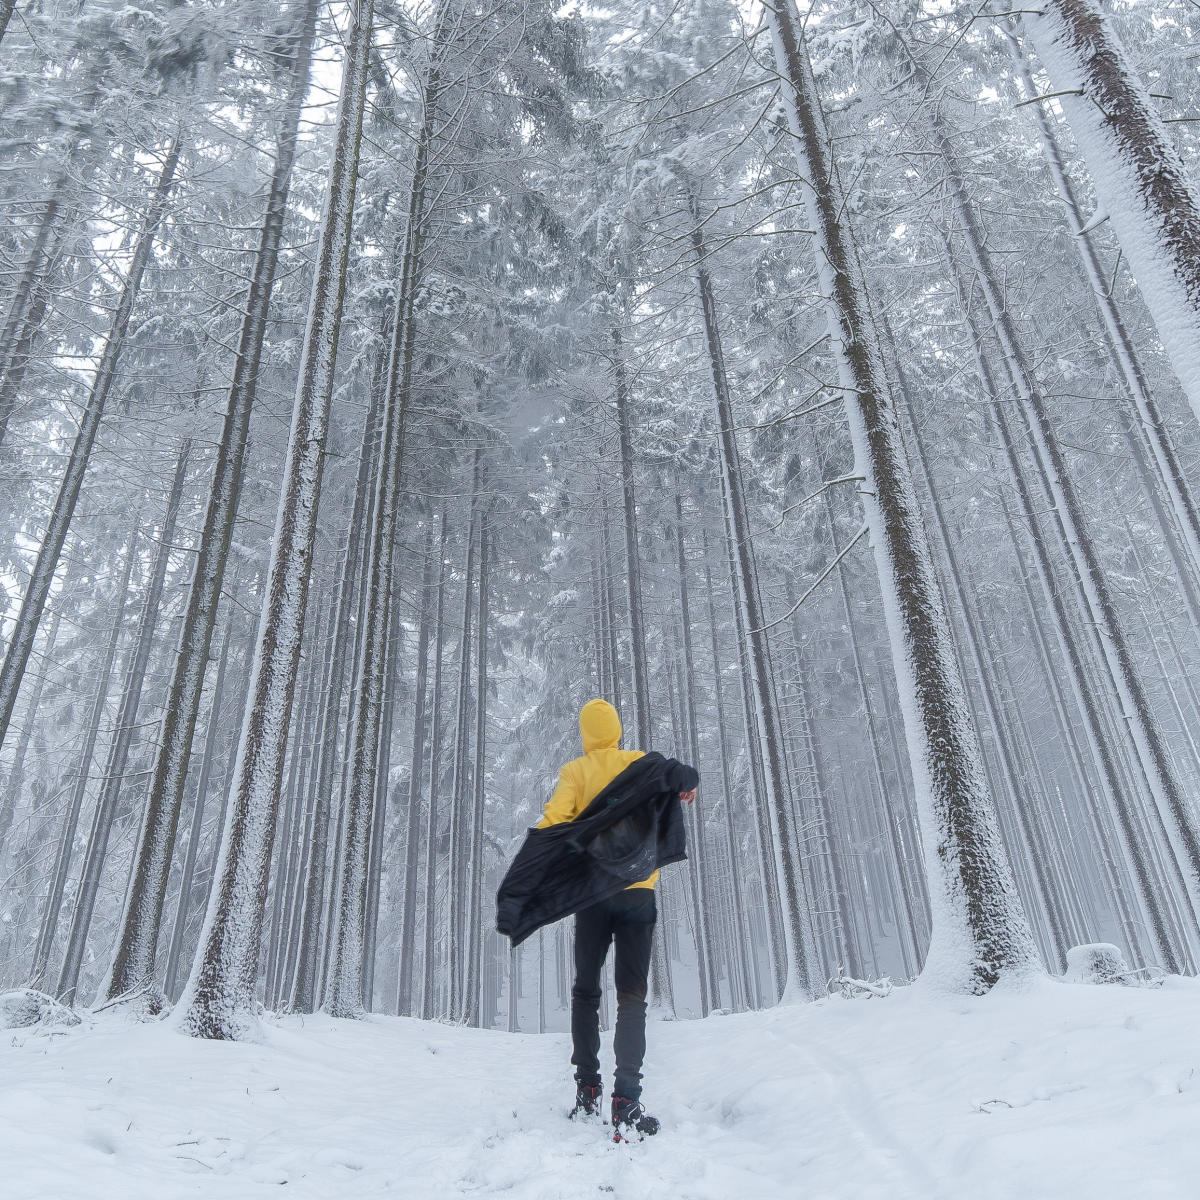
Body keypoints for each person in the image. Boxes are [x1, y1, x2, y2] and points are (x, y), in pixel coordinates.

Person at [537, 698, 698, 1139]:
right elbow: (685, 775)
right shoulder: (644, 765)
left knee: (586, 992)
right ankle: (626, 1099)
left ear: (586, 735)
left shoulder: (575, 773)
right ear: (618, 730)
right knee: (631, 997)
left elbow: (552, 823)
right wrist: (687, 786)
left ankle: (587, 1090)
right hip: (637, 897)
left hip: (592, 896)